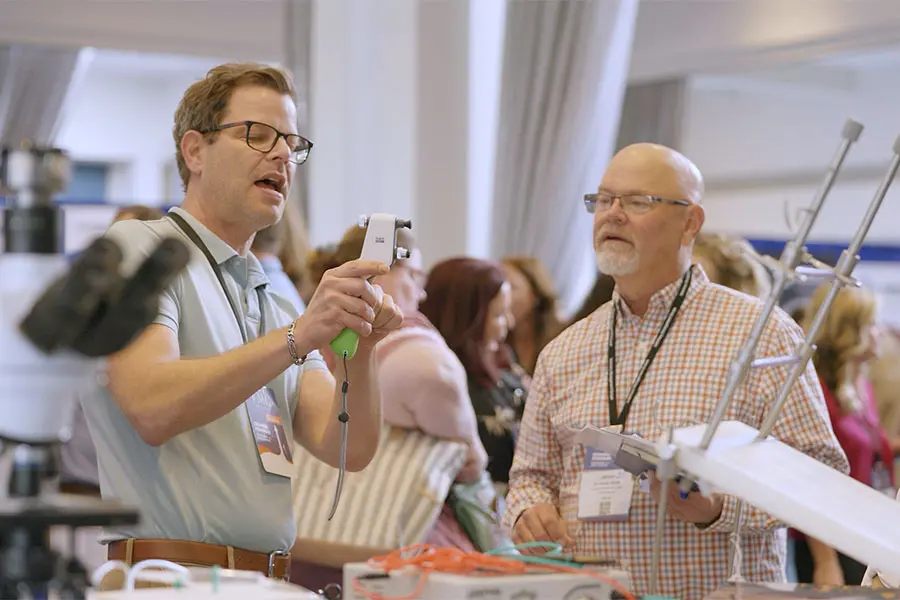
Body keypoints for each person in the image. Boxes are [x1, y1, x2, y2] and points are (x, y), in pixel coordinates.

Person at [80, 62, 402, 588]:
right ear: (194, 151)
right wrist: (298, 338)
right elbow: (151, 406)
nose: (281, 154)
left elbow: (348, 446)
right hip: (169, 577)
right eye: (257, 135)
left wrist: (358, 351)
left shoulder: (271, 297)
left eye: (291, 142)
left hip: (266, 581)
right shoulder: (142, 250)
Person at [503, 142, 848, 600]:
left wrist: (717, 509)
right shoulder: (565, 350)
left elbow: (820, 479)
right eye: (603, 200)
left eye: (637, 201)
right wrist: (529, 511)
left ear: (691, 222)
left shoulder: (762, 335)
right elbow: (529, 477)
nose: (613, 214)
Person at [791, 284, 895, 586]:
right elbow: (808, 478)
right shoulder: (818, 392)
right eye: (872, 324)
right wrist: (826, 562)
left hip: (865, 531)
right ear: (851, 331)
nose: (880, 332)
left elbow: (866, 450)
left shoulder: (859, 385)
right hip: (831, 543)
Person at [420, 258, 527, 494]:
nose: (508, 324)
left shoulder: (507, 369)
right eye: (499, 314)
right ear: (465, 319)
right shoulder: (440, 384)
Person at [500, 256, 565, 376]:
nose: (502, 296)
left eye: (512, 288)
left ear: (535, 295)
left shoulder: (563, 338)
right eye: (500, 287)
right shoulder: (495, 340)